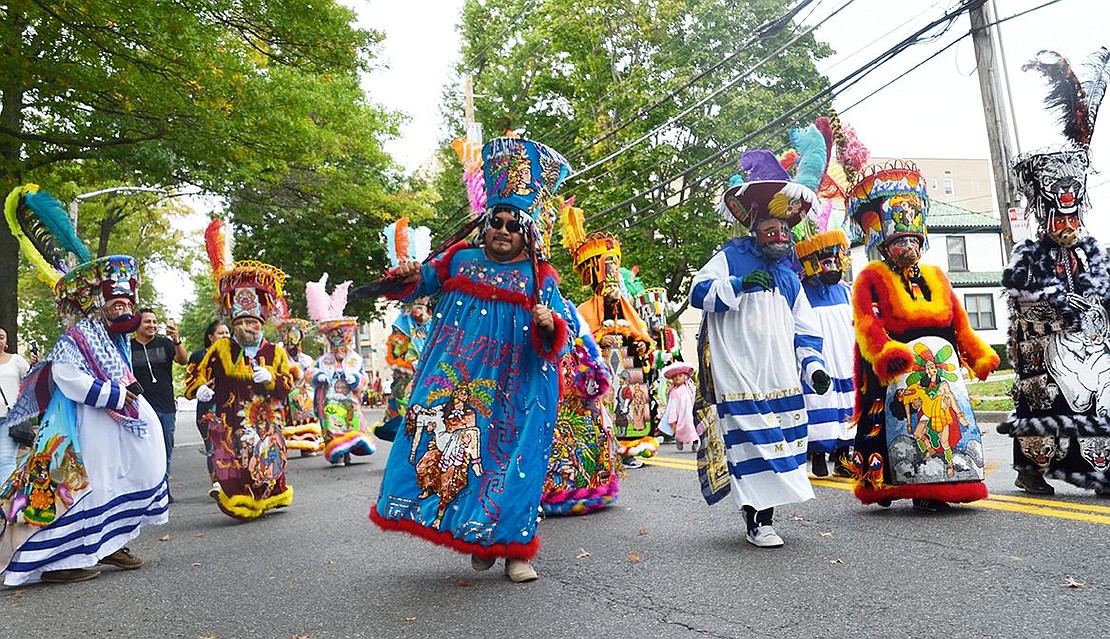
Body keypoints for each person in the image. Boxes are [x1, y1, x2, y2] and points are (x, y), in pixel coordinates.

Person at [371, 136, 575, 583]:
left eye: (512, 224)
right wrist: (405, 276)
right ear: (486, 224)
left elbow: (566, 333)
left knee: (516, 465)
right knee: (457, 457)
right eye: (496, 221)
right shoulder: (458, 261)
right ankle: (480, 538)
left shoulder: (540, 278)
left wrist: (547, 322)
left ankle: (517, 552)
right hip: (459, 380)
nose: (502, 230)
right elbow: (417, 284)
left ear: (527, 233)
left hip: (521, 387)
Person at [0, 183, 167, 585]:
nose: (124, 306)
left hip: (111, 423)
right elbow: (67, 377)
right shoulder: (77, 336)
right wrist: (115, 394)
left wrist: (126, 396)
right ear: (97, 302)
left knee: (121, 478)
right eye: (116, 301)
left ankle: (109, 544)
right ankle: (62, 563)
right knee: (76, 488)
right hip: (79, 426)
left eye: (128, 301)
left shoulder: (117, 337)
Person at [691, 137, 831, 549]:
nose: (779, 236)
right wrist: (737, 283)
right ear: (756, 233)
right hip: (739, 374)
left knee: (782, 446)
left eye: (784, 230)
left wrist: (816, 368)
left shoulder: (790, 278)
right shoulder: (730, 257)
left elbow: (806, 329)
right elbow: (699, 291)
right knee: (752, 448)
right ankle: (756, 521)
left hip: (781, 377)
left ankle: (765, 517)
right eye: (770, 230)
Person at [847, 161, 999, 512]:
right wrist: (884, 353)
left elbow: (959, 322)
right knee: (897, 424)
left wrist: (977, 354)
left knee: (946, 422)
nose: (909, 248)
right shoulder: (871, 275)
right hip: (896, 364)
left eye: (914, 240)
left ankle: (947, 481)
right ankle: (889, 483)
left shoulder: (937, 275)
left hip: (939, 366)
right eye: (900, 240)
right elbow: (866, 322)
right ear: (884, 243)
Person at [998, 48, 1110, 496]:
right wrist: (1059, 301)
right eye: (1060, 220)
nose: (1068, 226)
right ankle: (1032, 470)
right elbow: (1018, 291)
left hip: (1088, 342)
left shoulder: (1090, 250)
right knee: (1042, 406)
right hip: (1044, 348)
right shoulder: (1027, 251)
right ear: (1045, 216)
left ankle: (1098, 469)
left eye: (1073, 219)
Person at [185, 218, 294, 521]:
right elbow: (196, 372)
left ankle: (270, 498)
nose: (248, 327)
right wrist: (200, 388)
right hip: (230, 418)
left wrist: (272, 379)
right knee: (232, 461)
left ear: (261, 324)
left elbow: (289, 383)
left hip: (265, 420)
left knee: (265, 460)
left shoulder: (275, 351)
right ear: (234, 324)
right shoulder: (220, 349)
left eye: (253, 323)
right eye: (243, 322)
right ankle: (240, 502)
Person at [560, 199, 658, 465]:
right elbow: (580, 341)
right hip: (603, 368)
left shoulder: (627, 308)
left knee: (631, 408)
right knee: (607, 409)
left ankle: (631, 450)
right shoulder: (584, 310)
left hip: (628, 368)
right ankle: (604, 450)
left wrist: (641, 346)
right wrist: (600, 342)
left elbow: (643, 335)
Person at [541, 307, 619, 516]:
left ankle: (583, 489)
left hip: (574, 384)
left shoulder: (566, 309)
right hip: (548, 381)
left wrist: (594, 371)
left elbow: (586, 343)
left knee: (583, 433)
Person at [793, 229, 856, 477]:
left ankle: (842, 456)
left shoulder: (846, 291)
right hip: (819, 354)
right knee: (820, 399)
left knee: (848, 404)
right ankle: (818, 453)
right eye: (825, 262)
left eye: (834, 261)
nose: (831, 266)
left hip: (845, 354)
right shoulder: (801, 292)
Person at [306, 275, 375, 465]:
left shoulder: (355, 359)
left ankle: (350, 448)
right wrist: (318, 376)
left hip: (349, 399)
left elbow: (363, 378)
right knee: (333, 422)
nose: (339, 349)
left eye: (342, 343)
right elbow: (310, 372)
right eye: (335, 344)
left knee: (352, 421)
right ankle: (340, 450)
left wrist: (356, 380)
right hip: (330, 400)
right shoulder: (324, 360)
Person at [131, 308, 188, 496]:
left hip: (166, 407)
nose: (152, 325)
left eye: (155, 322)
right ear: (137, 325)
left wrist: (176, 340)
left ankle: (164, 489)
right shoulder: (128, 346)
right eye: (147, 322)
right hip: (142, 409)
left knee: (166, 449)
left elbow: (183, 360)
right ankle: (149, 490)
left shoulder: (165, 343)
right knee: (145, 451)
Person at [378, 296, 432, 442]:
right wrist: (410, 364)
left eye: (423, 307)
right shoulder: (401, 328)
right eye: (418, 307)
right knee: (407, 410)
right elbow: (394, 357)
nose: (421, 312)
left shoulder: (431, 325)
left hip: (430, 376)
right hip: (408, 379)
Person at [184, 320, 230, 492]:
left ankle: (234, 481)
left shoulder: (237, 354)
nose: (225, 336)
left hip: (231, 407)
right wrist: (200, 388)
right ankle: (217, 483)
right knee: (214, 446)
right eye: (221, 333)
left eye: (227, 333)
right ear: (211, 337)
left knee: (233, 444)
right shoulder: (198, 356)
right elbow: (189, 384)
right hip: (207, 409)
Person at [277, 318, 324, 457]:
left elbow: (310, 375)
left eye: (295, 341)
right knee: (285, 420)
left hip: (304, 394)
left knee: (308, 418)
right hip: (286, 394)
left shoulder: (306, 359)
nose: (293, 346)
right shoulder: (280, 356)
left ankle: (308, 444)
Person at [0, 327, 32, 481]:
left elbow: (31, 382)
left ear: (6, 342)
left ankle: (5, 502)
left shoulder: (16, 361)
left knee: (6, 460)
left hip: (10, 418)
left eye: (1, 337)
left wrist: (36, 365)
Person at [659, 362, 697, 452]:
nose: (677, 378)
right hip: (681, 414)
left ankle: (695, 443)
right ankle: (679, 440)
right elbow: (672, 406)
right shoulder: (674, 392)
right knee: (680, 430)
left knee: (693, 428)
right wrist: (673, 419)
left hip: (690, 413)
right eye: (675, 377)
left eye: (680, 375)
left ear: (685, 377)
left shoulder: (690, 388)